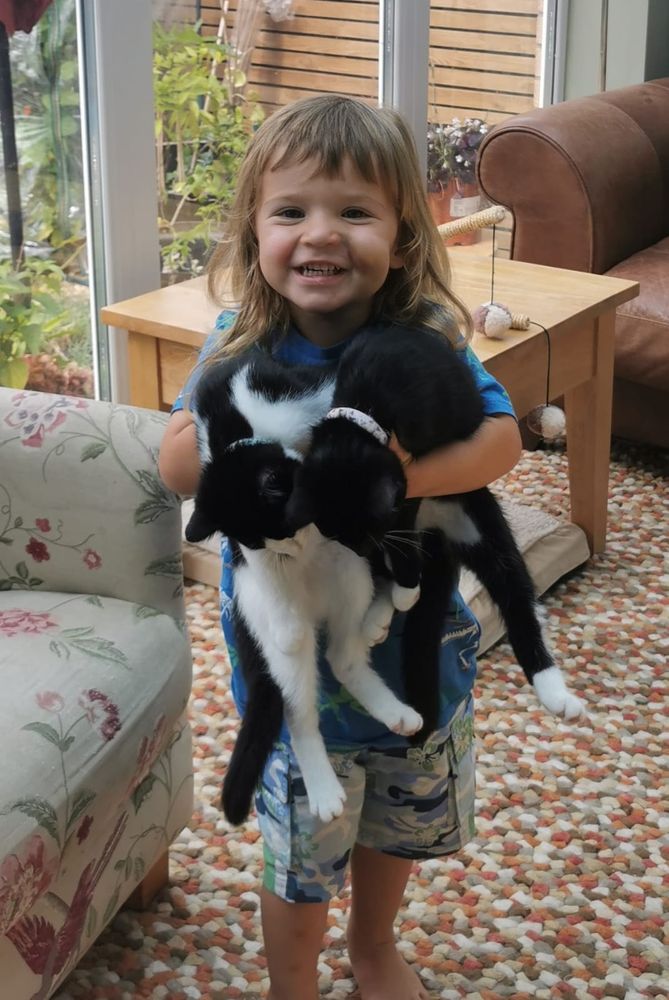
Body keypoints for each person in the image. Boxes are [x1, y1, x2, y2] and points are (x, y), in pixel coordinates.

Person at [159, 94, 521, 1000]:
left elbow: (502, 441)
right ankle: (293, 981)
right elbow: (173, 465)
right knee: (299, 858)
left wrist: (394, 470)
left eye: (354, 212)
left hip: (414, 658)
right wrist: (240, 447)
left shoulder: (421, 344)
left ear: (401, 237)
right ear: (253, 231)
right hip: (298, 676)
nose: (320, 234)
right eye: (292, 211)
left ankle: (371, 949)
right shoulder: (241, 347)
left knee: (391, 828)